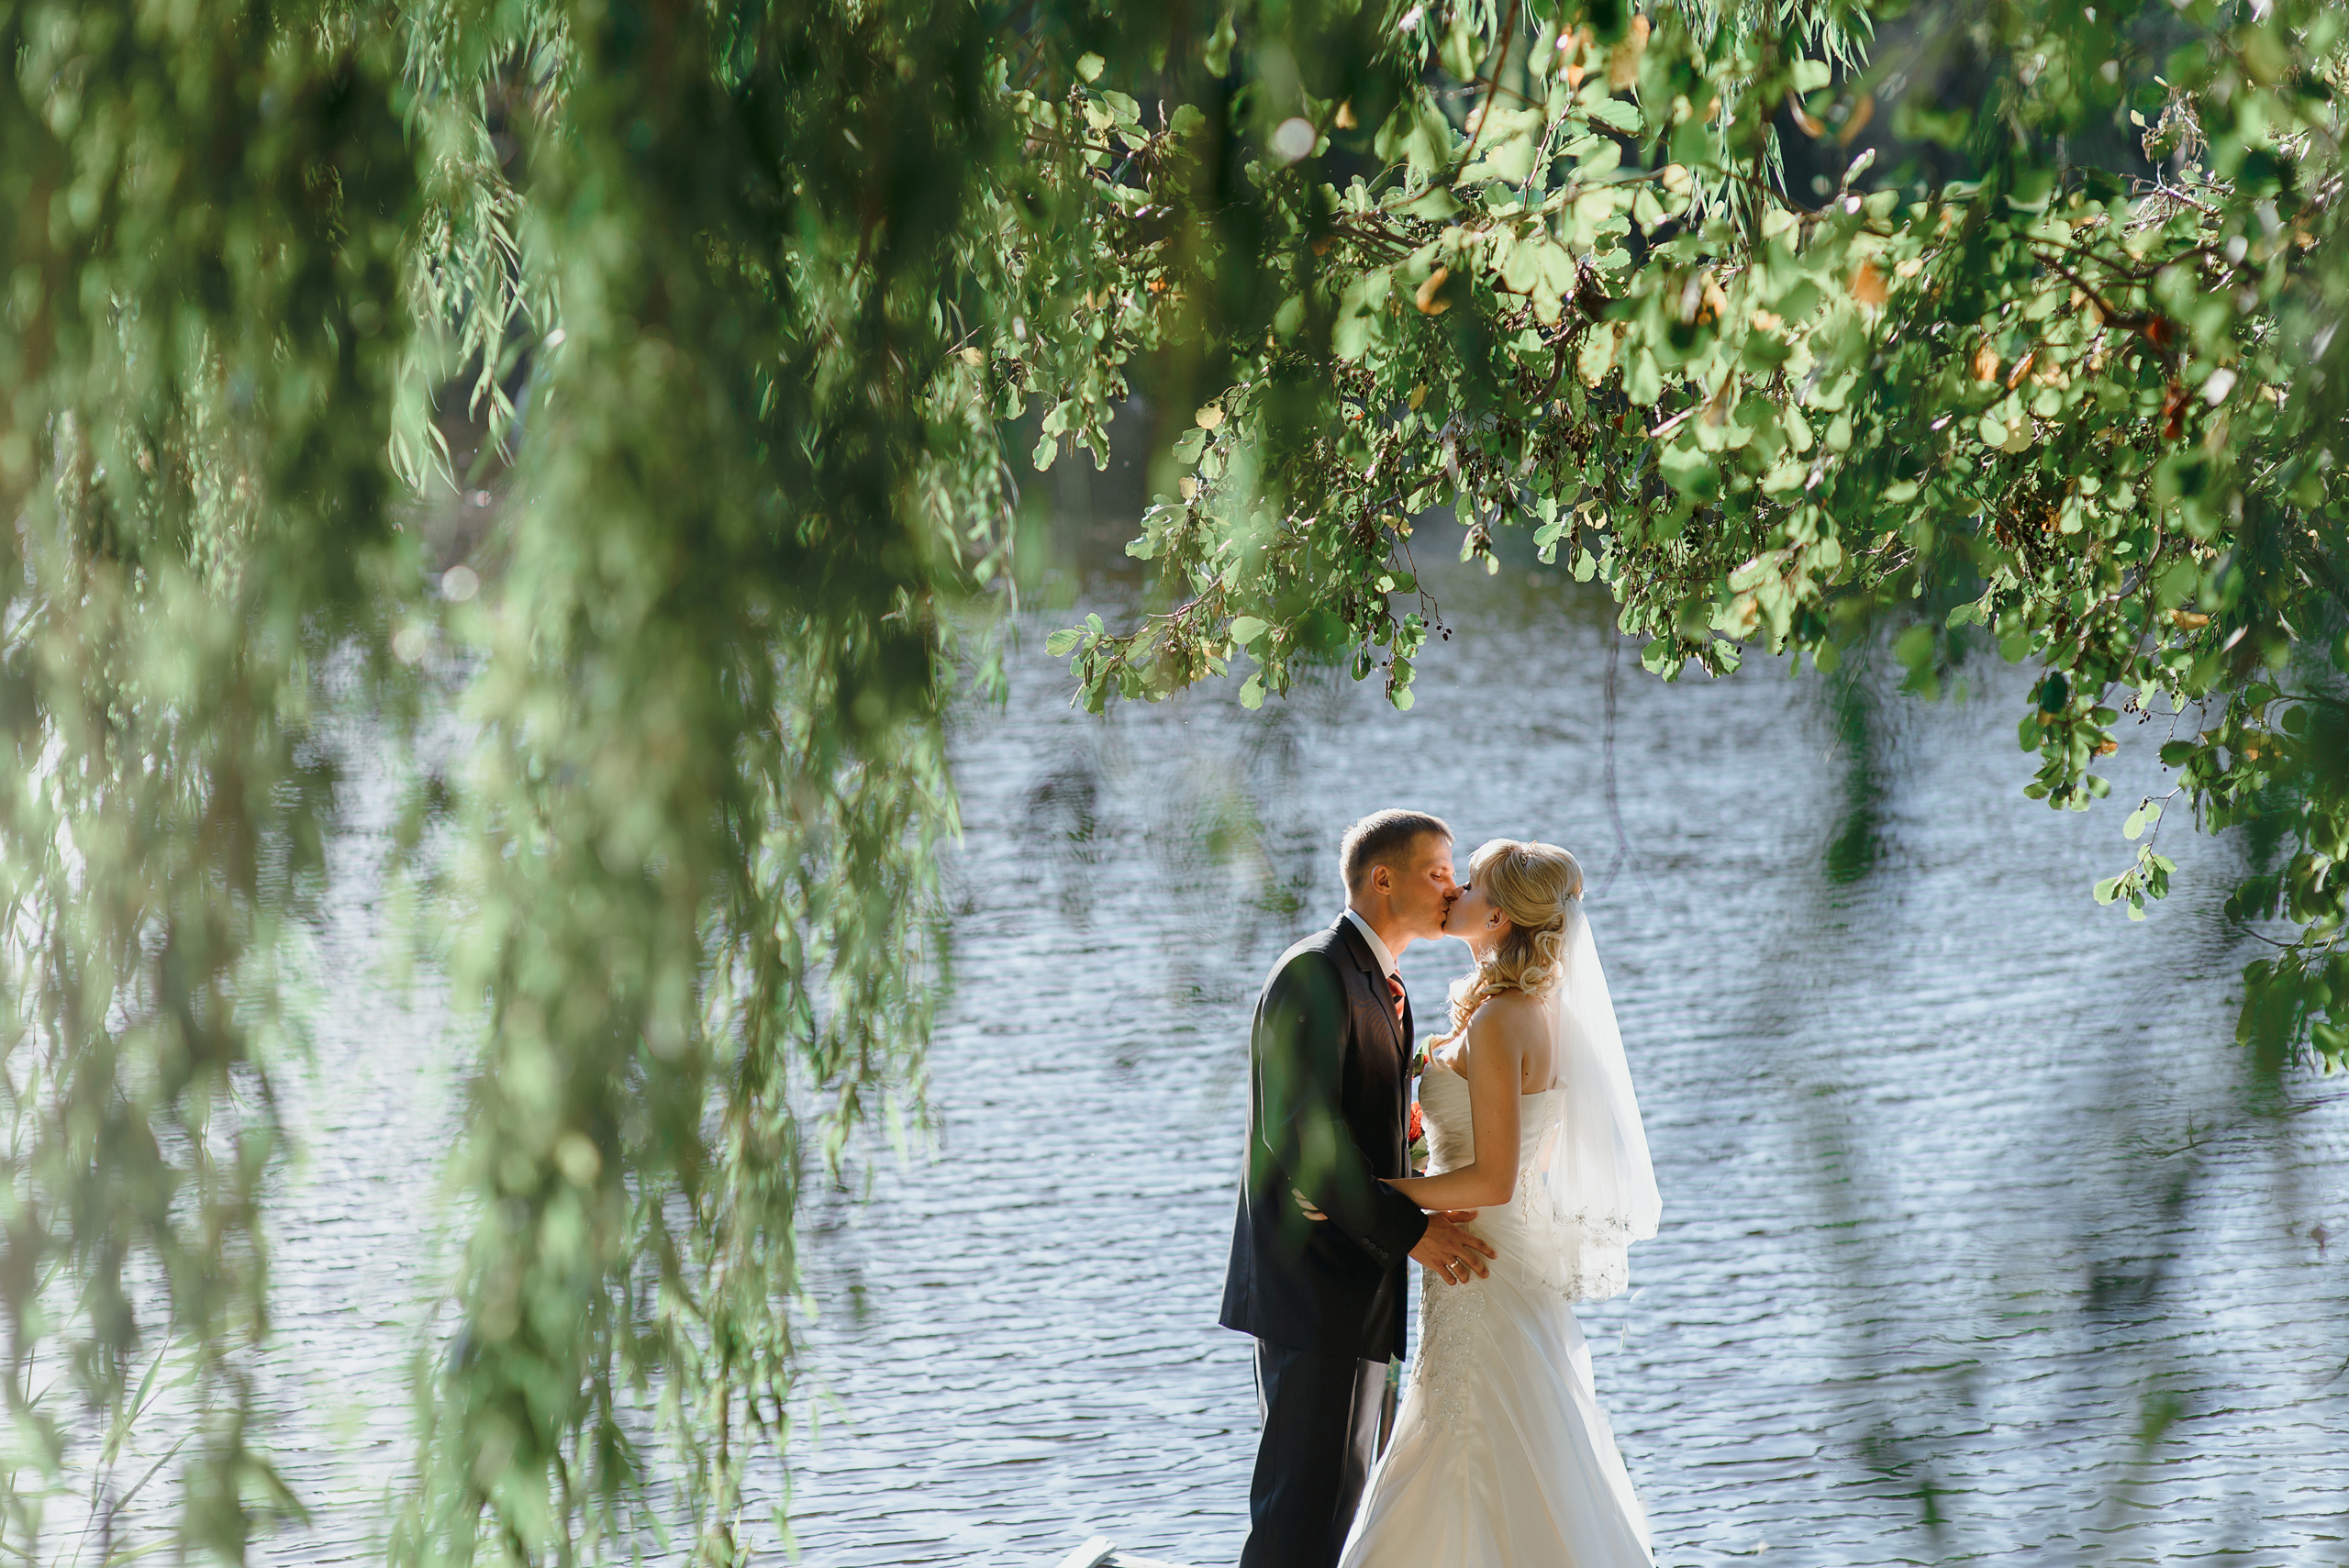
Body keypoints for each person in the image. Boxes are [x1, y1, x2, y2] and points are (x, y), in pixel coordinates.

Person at [1336, 838, 1662, 1568]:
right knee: (1505, 1429)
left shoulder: (1500, 1020)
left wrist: (1372, 1193)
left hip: (1478, 1252)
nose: (1457, 892)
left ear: (1504, 917)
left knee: (1478, 1432)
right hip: (1488, 1246)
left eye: (1474, 885)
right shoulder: (1521, 1010)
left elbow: (1493, 1179)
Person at [1219, 809, 1499, 1568]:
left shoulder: (1383, 983)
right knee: (1302, 1520)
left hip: (1356, 1288)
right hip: (1313, 1286)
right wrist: (1415, 1232)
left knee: (1341, 1514)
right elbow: (1303, 1132)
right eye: (1438, 871)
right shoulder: (1316, 971)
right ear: (1383, 879)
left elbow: (1374, 1130)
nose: (1455, 887)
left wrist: (1430, 1189)